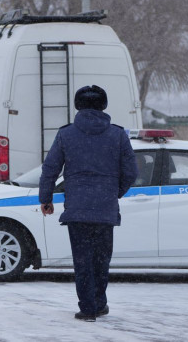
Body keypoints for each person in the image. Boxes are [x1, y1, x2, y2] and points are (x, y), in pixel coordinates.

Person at [38, 85, 138, 322]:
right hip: (105, 208)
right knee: (102, 260)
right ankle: (100, 303)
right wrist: (115, 192)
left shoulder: (66, 134)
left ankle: (88, 308)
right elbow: (131, 172)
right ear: (104, 105)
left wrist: (46, 198)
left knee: (82, 260)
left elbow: (50, 169)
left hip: (78, 209)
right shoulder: (118, 135)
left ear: (77, 105)